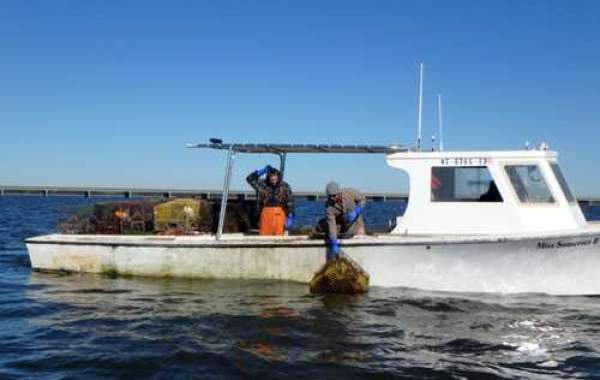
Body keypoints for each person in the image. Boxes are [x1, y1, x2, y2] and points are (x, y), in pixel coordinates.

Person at [318, 182, 366, 259]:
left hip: (357, 223)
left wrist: (357, 210)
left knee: (359, 237)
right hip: (343, 226)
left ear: (339, 193)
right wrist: (334, 243)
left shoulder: (350, 192)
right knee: (323, 225)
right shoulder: (329, 207)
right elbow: (332, 225)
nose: (332, 198)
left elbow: (363, 199)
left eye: (334, 195)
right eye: (329, 196)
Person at [246, 165, 295, 236]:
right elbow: (249, 178)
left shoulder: (285, 186)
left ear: (278, 176)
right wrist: (262, 171)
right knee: (264, 239)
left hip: (280, 216)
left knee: (279, 239)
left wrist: (290, 215)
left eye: (275, 176)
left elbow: (290, 201)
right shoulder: (262, 184)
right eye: (271, 176)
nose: (273, 178)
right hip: (265, 216)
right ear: (268, 177)